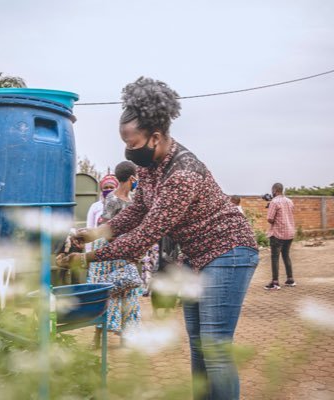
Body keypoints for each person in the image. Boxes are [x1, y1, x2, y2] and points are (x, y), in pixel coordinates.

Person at [58, 77, 258, 400]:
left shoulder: (182, 174)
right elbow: (134, 213)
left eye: (132, 144)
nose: (128, 150)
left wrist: (86, 258)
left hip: (229, 251)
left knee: (215, 346)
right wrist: (92, 233)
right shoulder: (151, 166)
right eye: (124, 142)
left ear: (155, 137)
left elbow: (144, 236)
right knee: (197, 343)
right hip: (196, 256)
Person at [85, 161, 141, 348]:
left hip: (125, 251)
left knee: (128, 291)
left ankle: (126, 336)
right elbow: (106, 229)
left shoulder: (133, 201)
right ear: (131, 178)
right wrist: (123, 247)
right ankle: (97, 336)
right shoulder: (112, 200)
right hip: (110, 253)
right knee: (107, 293)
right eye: (136, 177)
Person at [264, 183, 296, 290]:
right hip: (289, 233)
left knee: (275, 257)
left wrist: (270, 209)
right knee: (286, 255)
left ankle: (275, 282)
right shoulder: (289, 201)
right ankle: (290, 279)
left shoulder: (274, 202)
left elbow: (270, 219)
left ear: (274, 190)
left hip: (278, 234)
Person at [85, 174, 119, 251]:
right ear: (101, 189)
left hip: (117, 246)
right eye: (106, 188)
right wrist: (88, 251)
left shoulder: (121, 205)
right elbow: (90, 228)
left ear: (116, 189)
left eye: (111, 187)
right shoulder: (95, 206)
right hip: (99, 247)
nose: (108, 190)